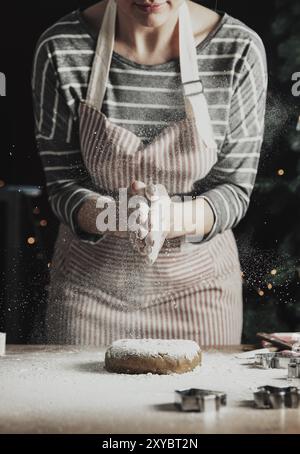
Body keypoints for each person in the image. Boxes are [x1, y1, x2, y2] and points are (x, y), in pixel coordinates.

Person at [31, 0, 268, 346]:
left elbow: (234, 189)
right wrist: (117, 215)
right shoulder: (61, 47)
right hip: (89, 294)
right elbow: (62, 184)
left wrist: (171, 218)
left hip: (200, 292)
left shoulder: (238, 49)